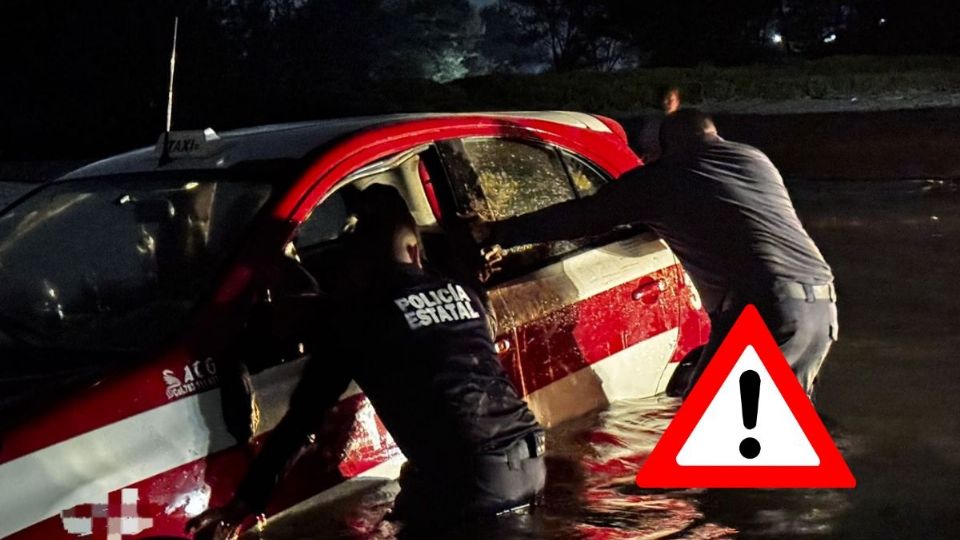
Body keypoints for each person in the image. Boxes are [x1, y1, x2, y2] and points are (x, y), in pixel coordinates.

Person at [187, 185, 545, 540]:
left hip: (471, 481)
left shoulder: (357, 319)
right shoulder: (463, 291)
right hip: (530, 458)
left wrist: (243, 503)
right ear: (415, 251)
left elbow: (303, 419)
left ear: (357, 263)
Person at [482, 109, 838, 398]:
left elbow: (582, 217)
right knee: (772, 434)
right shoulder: (753, 159)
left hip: (765, 311)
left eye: (651, 152)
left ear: (667, 147)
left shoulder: (663, 178)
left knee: (710, 438)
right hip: (821, 310)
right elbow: (725, 211)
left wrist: (496, 232)